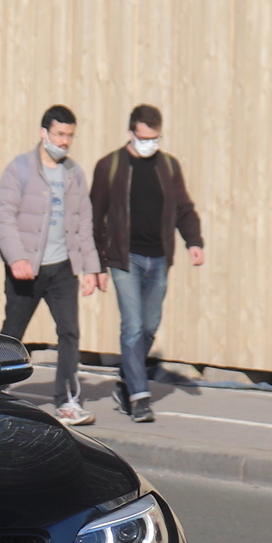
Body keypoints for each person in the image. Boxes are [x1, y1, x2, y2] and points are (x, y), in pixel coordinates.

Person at [0, 104, 105, 426]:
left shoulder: (74, 174)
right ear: (44, 133)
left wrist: (90, 268)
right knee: (12, 335)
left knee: (69, 332)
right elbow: (3, 217)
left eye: (69, 135)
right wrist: (17, 259)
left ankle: (68, 401)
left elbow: (84, 221)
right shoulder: (20, 169)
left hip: (62, 268)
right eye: (59, 134)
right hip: (27, 269)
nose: (65, 141)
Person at [90, 104, 205, 423]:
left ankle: (126, 380)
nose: (149, 144)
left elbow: (184, 209)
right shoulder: (109, 166)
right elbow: (94, 216)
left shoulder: (168, 167)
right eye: (144, 138)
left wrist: (193, 242)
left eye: (155, 138)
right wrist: (97, 264)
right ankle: (140, 397)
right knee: (133, 325)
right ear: (131, 133)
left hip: (159, 258)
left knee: (150, 325)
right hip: (125, 259)